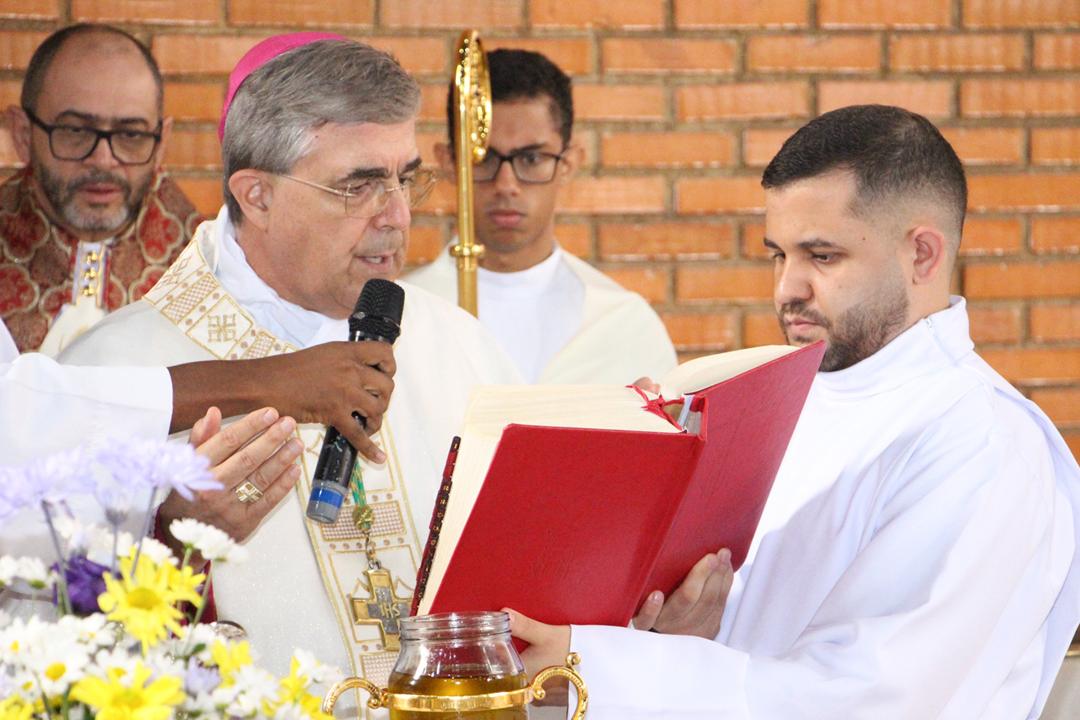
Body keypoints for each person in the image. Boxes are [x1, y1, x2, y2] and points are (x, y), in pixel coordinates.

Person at [509, 105, 1080, 719]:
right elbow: (751, 645)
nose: (787, 289)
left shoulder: (982, 443)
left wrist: (590, 665)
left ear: (922, 255)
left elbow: (862, 701)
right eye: (778, 255)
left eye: (822, 256)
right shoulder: (780, 402)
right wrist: (678, 628)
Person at [61, 34, 520, 692]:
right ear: (257, 196)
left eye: (405, 178)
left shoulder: (460, 347)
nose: (398, 216)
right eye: (359, 186)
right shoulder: (114, 371)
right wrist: (174, 546)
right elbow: (50, 643)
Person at [405, 49, 676, 385]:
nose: (507, 185)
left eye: (531, 159)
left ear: (568, 163)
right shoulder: (404, 318)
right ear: (449, 162)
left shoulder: (625, 326)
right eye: (483, 159)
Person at [1, 24, 199, 355]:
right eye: (76, 131)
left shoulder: (210, 275)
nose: (104, 160)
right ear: (23, 135)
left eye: (131, 135)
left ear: (161, 142)